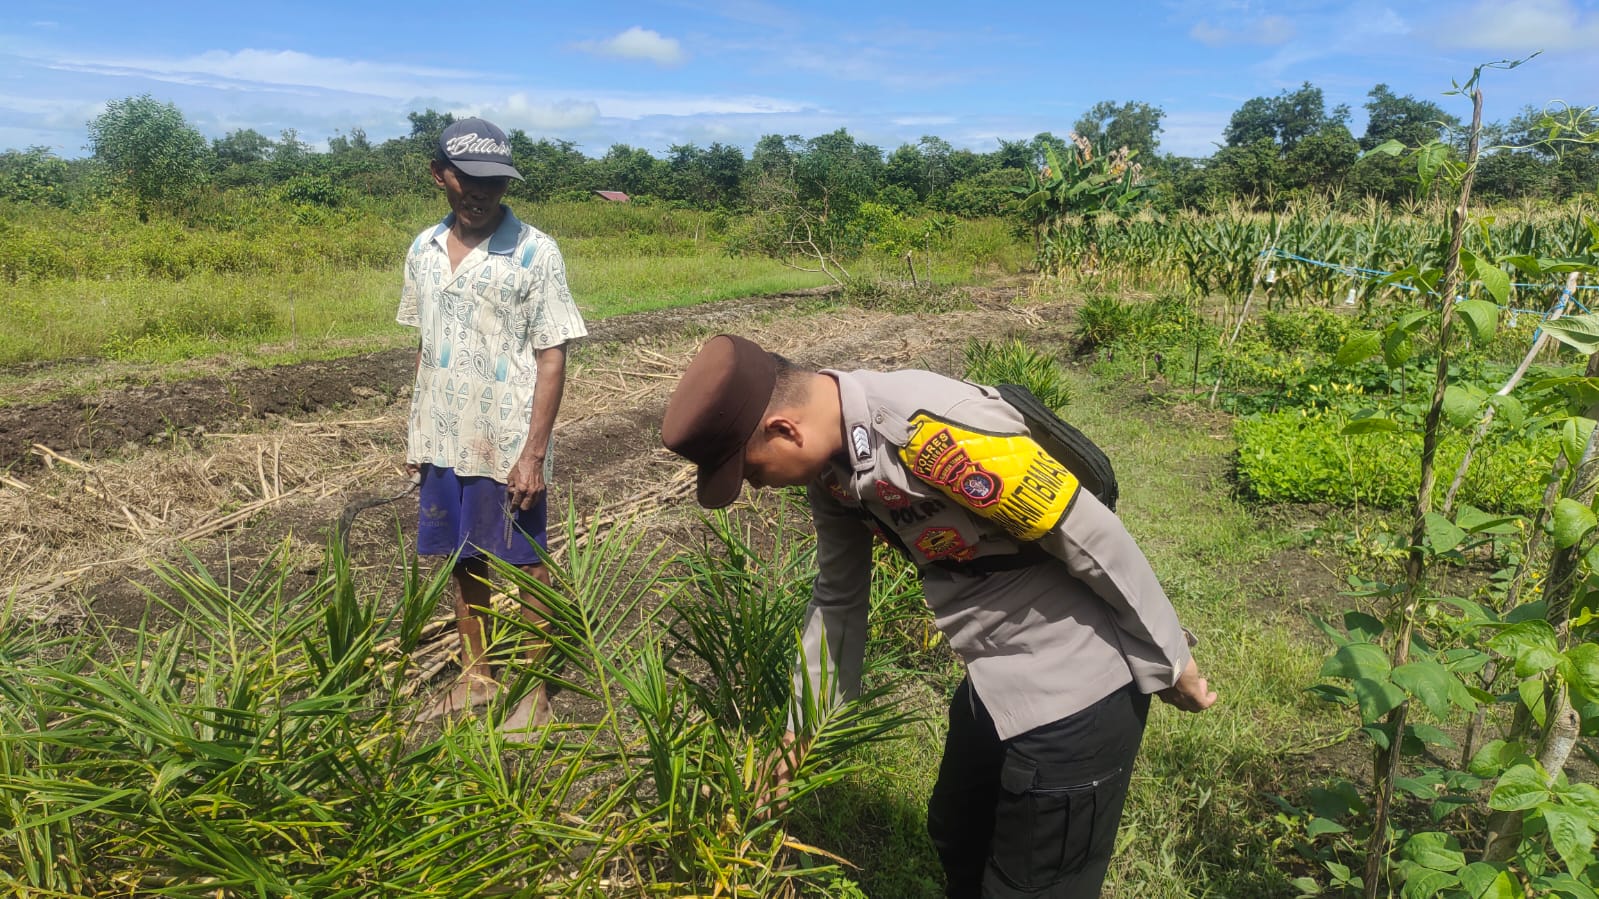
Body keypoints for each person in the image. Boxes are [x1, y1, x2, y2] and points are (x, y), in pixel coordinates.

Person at [659, 334, 1218, 898]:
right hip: (995, 673)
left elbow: (1094, 538)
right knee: (957, 834)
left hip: (1078, 682)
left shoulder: (933, 431)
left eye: (751, 471)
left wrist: (1174, 663)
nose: (756, 486)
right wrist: (799, 733)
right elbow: (837, 597)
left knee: (1036, 884)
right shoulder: (832, 473)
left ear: (785, 429)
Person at [397, 117, 587, 732]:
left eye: (495, 185)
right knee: (460, 556)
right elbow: (426, 344)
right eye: (467, 181)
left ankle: (535, 691)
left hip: (508, 442)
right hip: (444, 436)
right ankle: (477, 678)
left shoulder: (535, 251)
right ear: (439, 176)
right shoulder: (422, 250)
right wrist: (416, 431)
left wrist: (533, 453)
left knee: (526, 563)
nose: (481, 195)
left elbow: (552, 351)